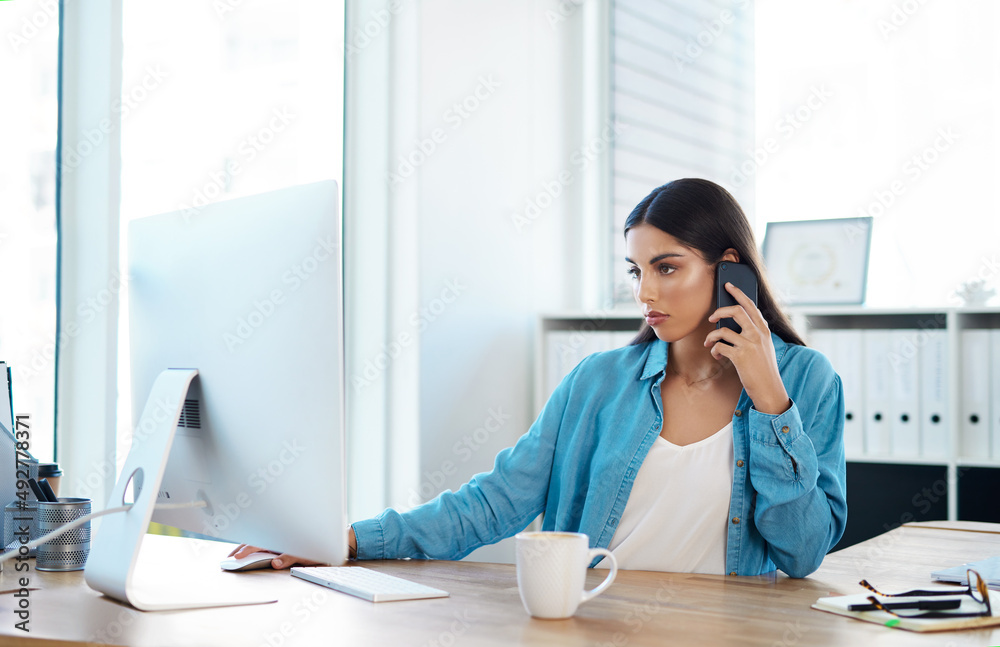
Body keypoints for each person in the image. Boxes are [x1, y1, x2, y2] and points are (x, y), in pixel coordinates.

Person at [231, 178, 847, 578]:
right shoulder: (597, 383)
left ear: (728, 271)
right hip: (596, 630)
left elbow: (802, 553)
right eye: (636, 271)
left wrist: (771, 402)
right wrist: (347, 541)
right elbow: (494, 503)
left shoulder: (807, 383)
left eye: (667, 267)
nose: (646, 293)